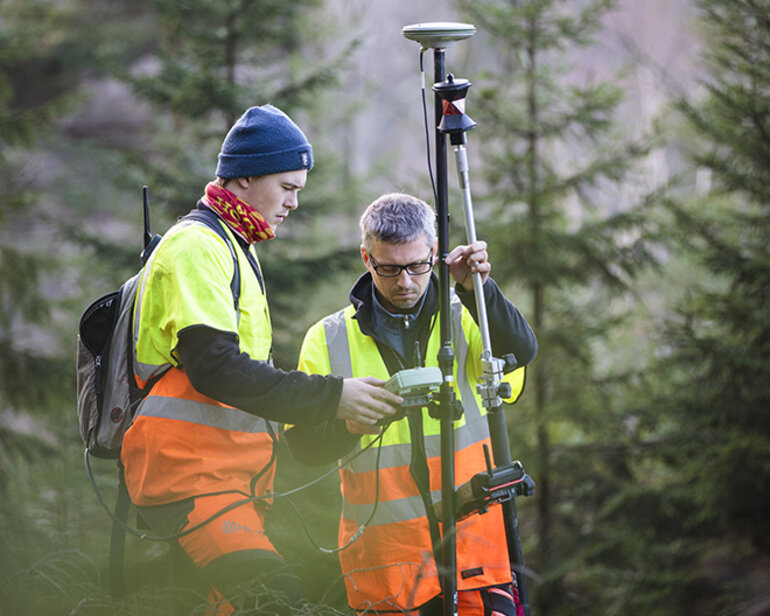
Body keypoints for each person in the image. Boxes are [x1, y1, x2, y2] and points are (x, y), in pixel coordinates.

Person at [119, 105, 400, 613]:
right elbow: (218, 369)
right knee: (276, 601)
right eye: (288, 187)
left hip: (229, 485)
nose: (294, 202)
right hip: (192, 481)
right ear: (245, 177)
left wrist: (346, 417)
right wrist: (335, 395)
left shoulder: (234, 246)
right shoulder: (197, 246)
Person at [285, 193, 538, 615]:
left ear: (435, 254)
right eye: (388, 268)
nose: (404, 281)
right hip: (387, 570)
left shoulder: (467, 315)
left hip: (477, 558)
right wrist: (348, 423)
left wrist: (478, 288)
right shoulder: (327, 339)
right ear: (366, 258)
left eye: (417, 266)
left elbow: (520, 350)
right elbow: (303, 448)